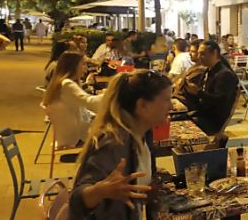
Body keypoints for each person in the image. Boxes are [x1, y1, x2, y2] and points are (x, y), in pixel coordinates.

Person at [69, 70, 172, 219]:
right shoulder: (115, 143)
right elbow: (76, 201)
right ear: (143, 105)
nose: (171, 107)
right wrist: (100, 191)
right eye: (167, 100)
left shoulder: (143, 133)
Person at [43, 51, 104, 147]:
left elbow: (82, 109)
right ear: (73, 66)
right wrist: (110, 93)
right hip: (76, 136)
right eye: (83, 64)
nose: (86, 68)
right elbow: (89, 102)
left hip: (68, 133)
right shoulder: (67, 84)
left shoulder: (61, 82)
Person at [185, 41, 239, 136]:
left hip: (212, 121)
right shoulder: (208, 70)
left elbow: (220, 101)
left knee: (174, 124)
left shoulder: (224, 74)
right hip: (203, 114)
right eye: (198, 54)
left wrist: (198, 93)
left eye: (203, 54)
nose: (199, 57)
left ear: (214, 53)